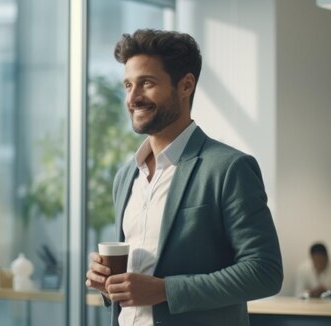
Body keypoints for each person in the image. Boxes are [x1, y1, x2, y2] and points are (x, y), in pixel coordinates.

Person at [84, 29, 283, 326]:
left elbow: (264, 272)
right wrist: (109, 285)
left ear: (186, 85)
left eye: (146, 83)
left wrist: (166, 290)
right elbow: (141, 279)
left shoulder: (229, 168)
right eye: (128, 85)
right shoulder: (127, 176)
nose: (133, 98)